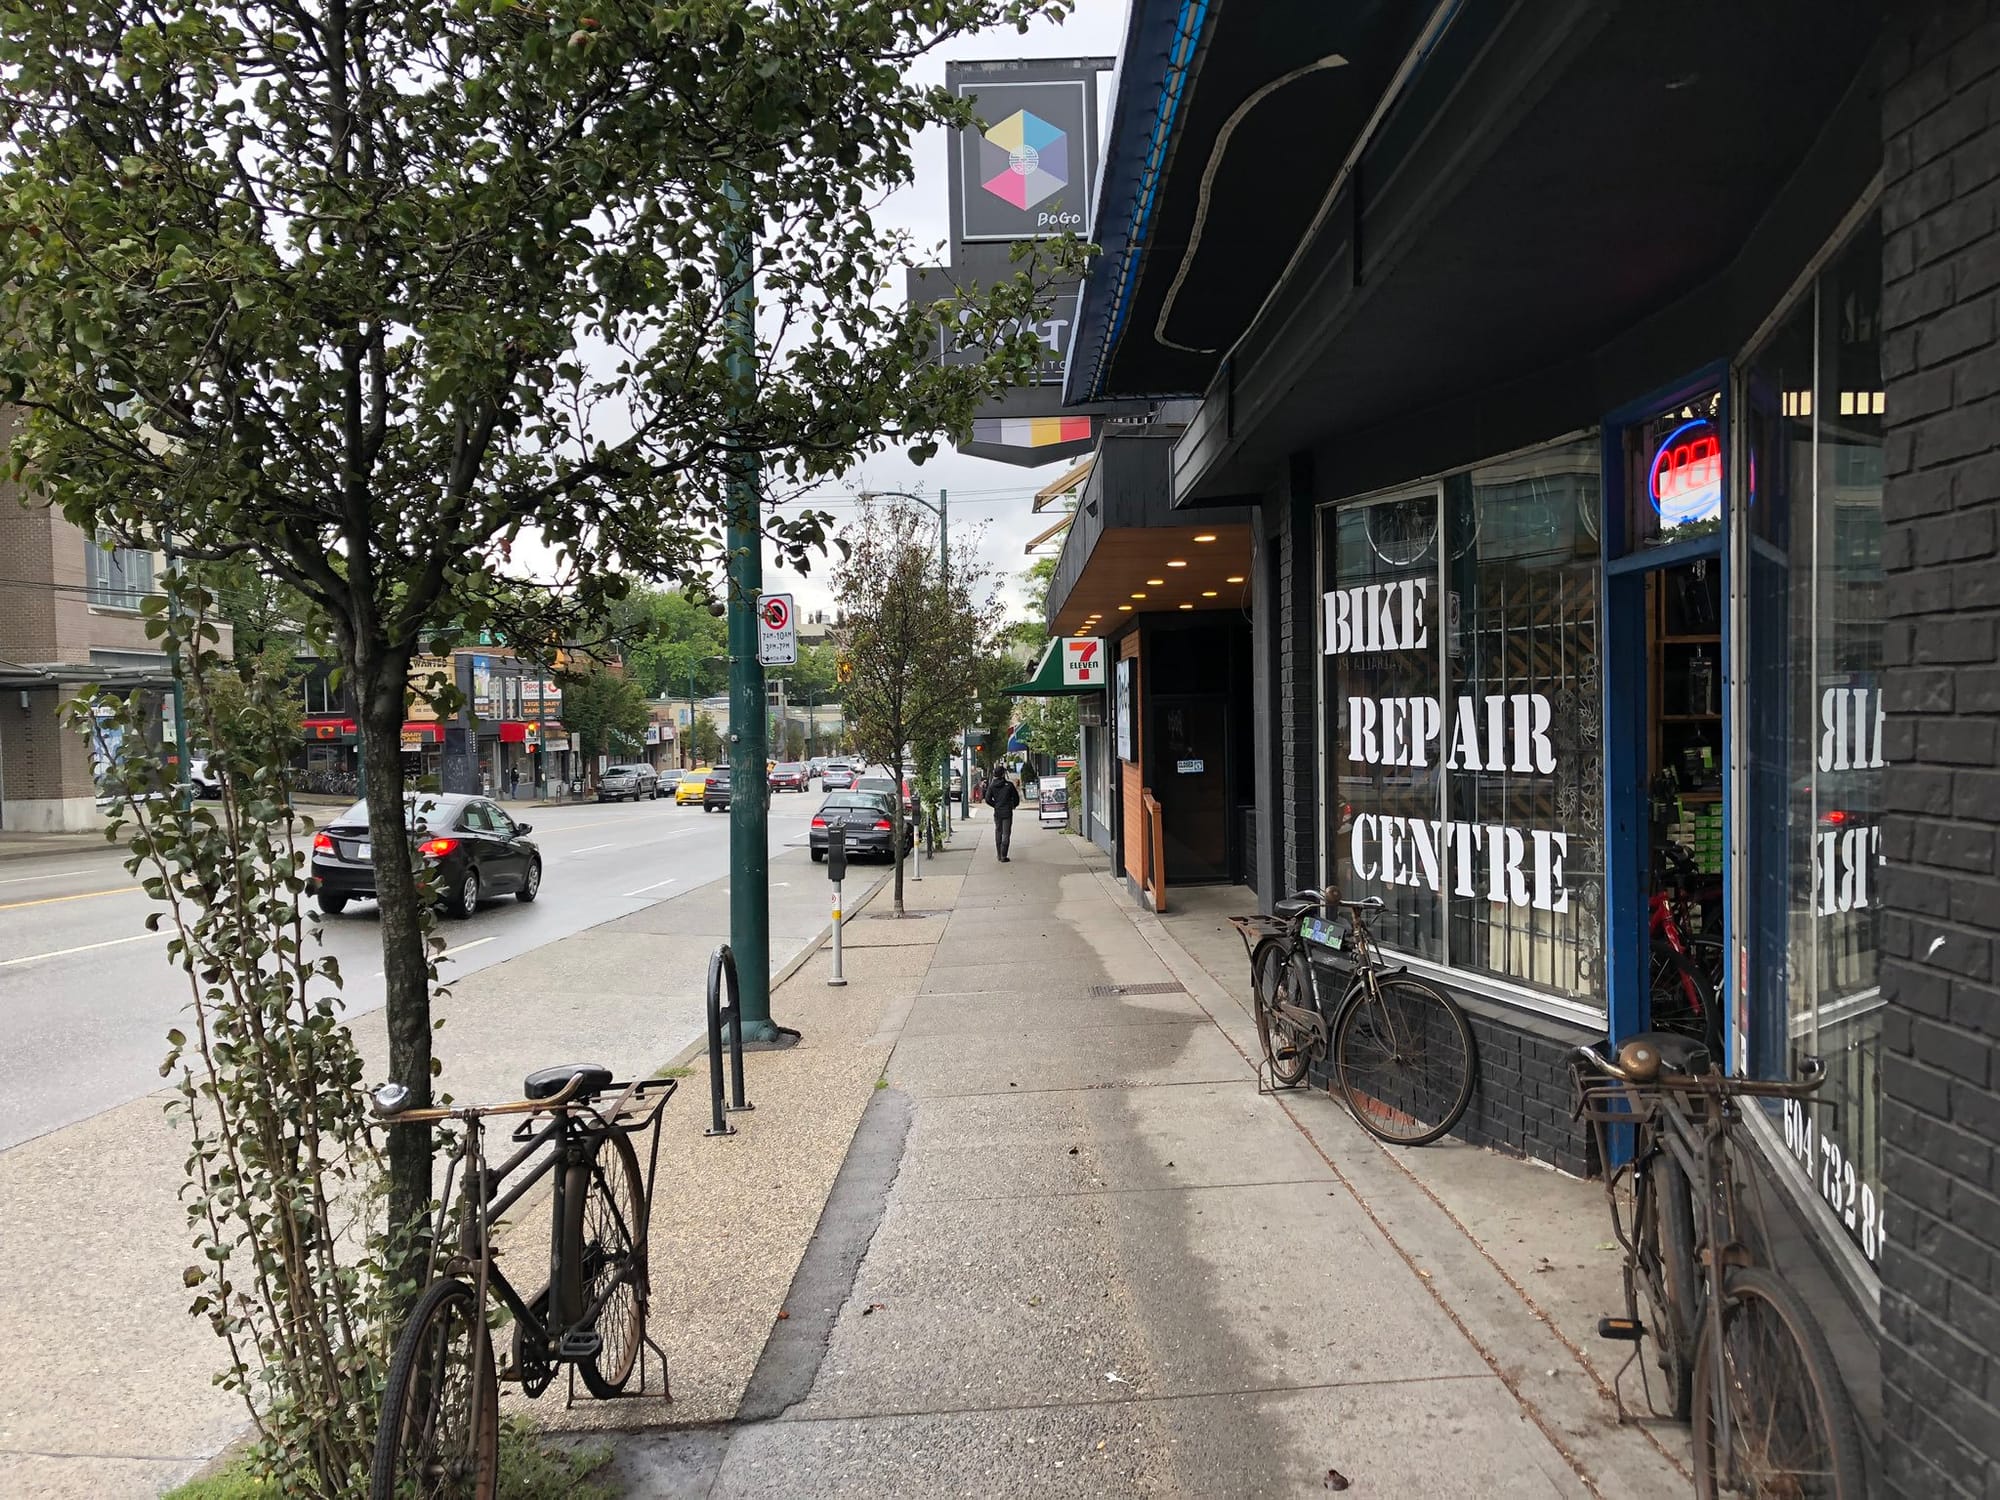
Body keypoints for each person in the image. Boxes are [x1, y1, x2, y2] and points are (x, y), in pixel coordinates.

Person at [985, 764, 1021, 862]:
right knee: (1006, 833)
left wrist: (995, 805)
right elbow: (1016, 798)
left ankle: (999, 854)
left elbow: (987, 799)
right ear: (1003, 774)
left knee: (998, 831)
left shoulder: (992, 786)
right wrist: (1013, 805)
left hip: (998, 812)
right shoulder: (1009, 785)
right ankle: (1004, 855)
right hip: (1007, 812)